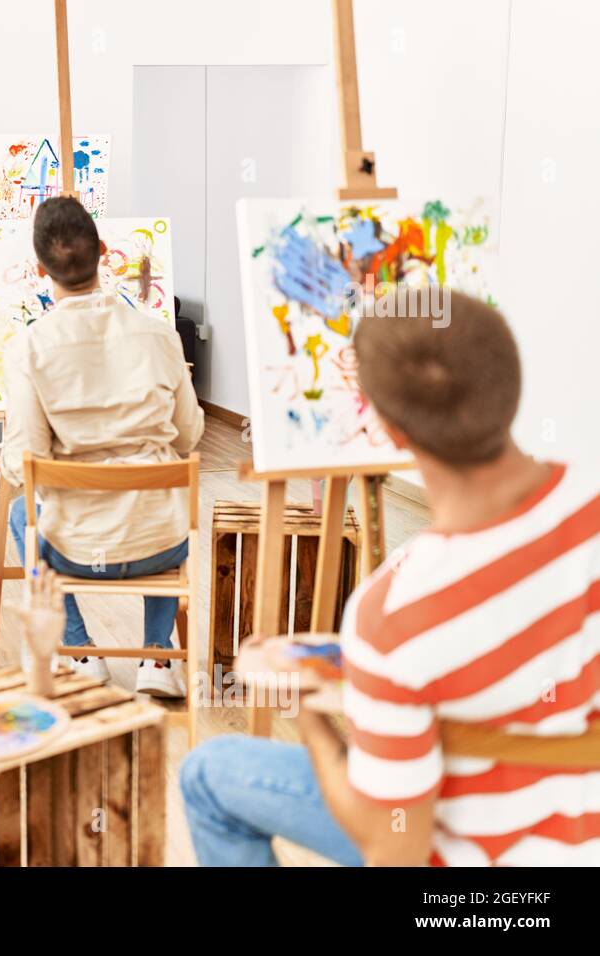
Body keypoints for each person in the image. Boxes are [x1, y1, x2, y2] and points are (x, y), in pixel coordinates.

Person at [181, 290, 600, 866]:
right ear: (512, 387)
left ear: (388, 431)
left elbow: (393, 849)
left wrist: (304, 709)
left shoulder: (396, 615)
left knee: (207, 773)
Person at [0, 196, 204, 697]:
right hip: (162, 545)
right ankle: (157, 657)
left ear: (40, 269)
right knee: (159, 492)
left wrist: (4, 455)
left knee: (21, 512)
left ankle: (82, 653)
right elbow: (189, 436)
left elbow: (27, 463)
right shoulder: (159, 335)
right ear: (104, 252)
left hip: (78, 551)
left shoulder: (29, 345)